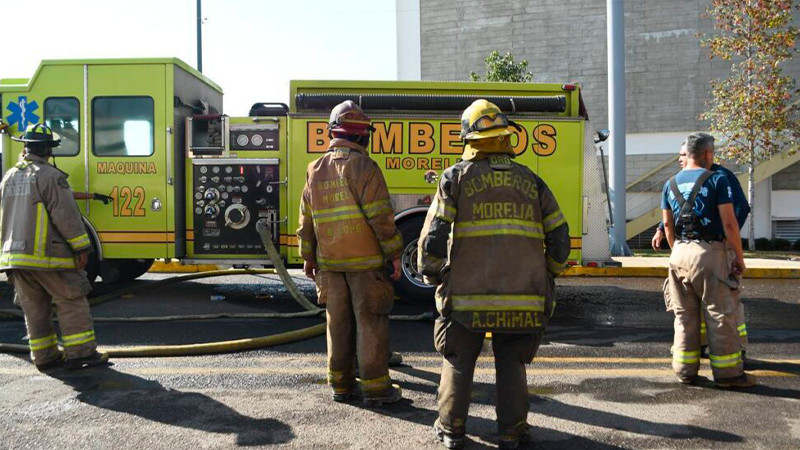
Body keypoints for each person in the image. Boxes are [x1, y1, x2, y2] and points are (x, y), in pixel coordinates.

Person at [418, 100, 570, 449]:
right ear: (505, 137)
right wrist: (548, 273)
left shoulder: (455, 177)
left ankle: (452, 431)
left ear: (470, 138)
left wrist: (432, 274)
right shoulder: (532, 181)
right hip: (523, 293)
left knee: (458, 360)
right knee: (512, 363)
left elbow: (435, 238)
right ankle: (512, 433)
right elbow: (560, 239)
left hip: (466, 296)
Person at [297, 101, 404, 407]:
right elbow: (381, 219)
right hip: (367, 268)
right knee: (370, 324)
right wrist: (395, 255)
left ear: (332, 133)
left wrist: (309, 257)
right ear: (362, 137)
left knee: (337, 325)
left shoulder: (314, 170)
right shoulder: (366, 168)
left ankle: (341, 386)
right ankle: (376, 389)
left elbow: (306, 219)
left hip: (330, 267)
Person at [0, 124, 109, 371]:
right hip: (49, 256)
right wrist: (82, 248)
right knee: (71, 299)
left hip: (16, 258)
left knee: (34, 308)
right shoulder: (51, 177)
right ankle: (80, 353)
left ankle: (44, 357)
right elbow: (66, 216)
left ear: (25, 147)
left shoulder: (9, 176)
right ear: (49, 149)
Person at [661, 132, 755, 388]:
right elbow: (729, 223)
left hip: (679, 253)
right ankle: (729, 375)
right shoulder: (717, 180)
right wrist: (738, 257)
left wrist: (678, 251)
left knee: (684, 317)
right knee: (720, 314)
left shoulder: (670, 183)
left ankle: (685, 372)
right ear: (708, 154)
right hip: (710, 253)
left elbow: (668, 225)